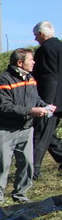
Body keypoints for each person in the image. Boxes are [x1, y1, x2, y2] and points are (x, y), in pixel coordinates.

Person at [0, 48, 53, 208]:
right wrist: (32, 111)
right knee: (1, 165)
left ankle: (20, 195)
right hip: (5, 130)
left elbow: (34, 98)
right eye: (31, 59)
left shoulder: (30, 78)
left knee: (27, 163)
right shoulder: (3, 80)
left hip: (26, 129)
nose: (34, 62)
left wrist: (45, 106)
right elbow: (5, 107)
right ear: (20, 62)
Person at [31, 21, 62, 179]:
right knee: (48, 135)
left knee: (39, 135)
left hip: (51, 100)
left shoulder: (44, 50)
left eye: (36, 35)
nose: (35, 39)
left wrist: (44, 103)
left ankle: (32, 171)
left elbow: (47, 77)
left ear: (42, 34)